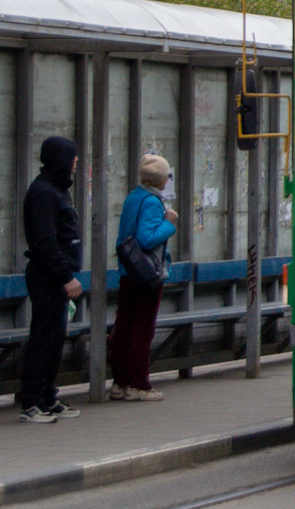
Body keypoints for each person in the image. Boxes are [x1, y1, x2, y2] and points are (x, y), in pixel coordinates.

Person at [19, 136, 83, 423]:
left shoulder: (57, 189)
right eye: (72, 156)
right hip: (47, 276)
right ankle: (31, 403)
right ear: (61, 159)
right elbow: (46, 241)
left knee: (55, 338)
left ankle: (48, 397)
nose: (76, 161)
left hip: (55, 276)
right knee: (44, 338)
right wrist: (65, 276)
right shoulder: (44, 192)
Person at [108, 154, 177, 403]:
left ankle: (120, 382)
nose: (167, 180)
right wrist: (169, 223)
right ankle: (139, 385)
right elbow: (146, 239)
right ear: (160, 180)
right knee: (142, 329)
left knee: (125, 326)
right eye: (166, 176)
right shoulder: (152, 202)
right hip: (147, 274)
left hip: (129, 272)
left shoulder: (133, 197)